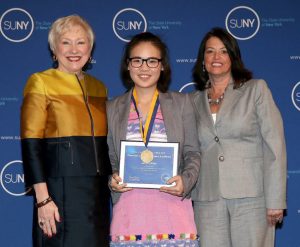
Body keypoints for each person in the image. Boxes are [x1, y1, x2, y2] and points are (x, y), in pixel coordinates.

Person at [190, 27, 287, 247]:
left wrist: (275, 200)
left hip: (252, 198)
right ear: (202, 60)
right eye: (210, 51)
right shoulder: (192, 101)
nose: (217, 57)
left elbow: (275, 147)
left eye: (224, 51)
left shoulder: (256, 90)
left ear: (233, 58)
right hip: (207, 199)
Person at [20, 15, 111, 247]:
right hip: (59, 194)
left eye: (81, 42)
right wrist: (43, 200)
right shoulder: (40, 82)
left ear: (90, 49)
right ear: (54, 48)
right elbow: (31, 144)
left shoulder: (99, 87)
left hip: (97, 195)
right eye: (65, 42)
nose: (74, 49)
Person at [107, 32, 200, 246]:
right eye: (137, 60)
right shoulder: (112, 108)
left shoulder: (182, 103)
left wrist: (185, 181)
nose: (144, 67)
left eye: (152, 61)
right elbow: (110, 158)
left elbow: (193, 152)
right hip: (129, 215)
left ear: (162, 65)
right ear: (128, 65)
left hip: (173, 211)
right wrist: (111, 179)